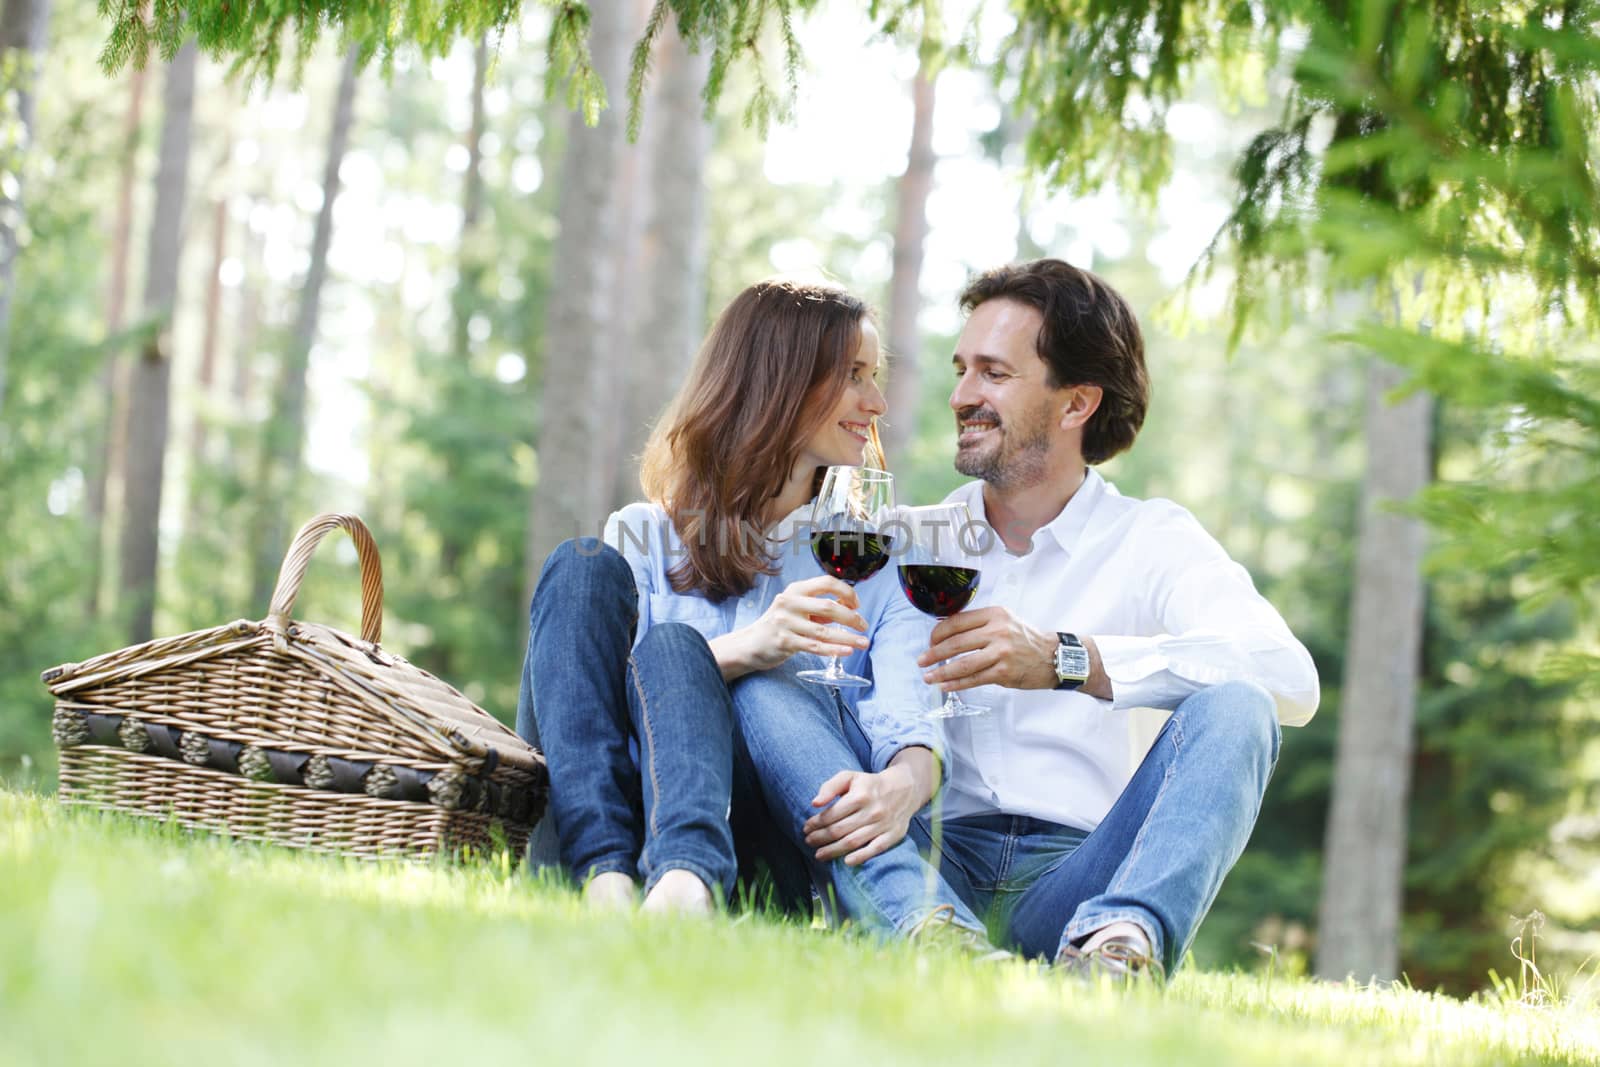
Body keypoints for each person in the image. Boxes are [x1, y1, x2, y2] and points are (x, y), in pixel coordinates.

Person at [861, 257, 1319, 980]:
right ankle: (922, 926)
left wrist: (1072, 661)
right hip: (927, 858)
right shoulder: (910, 540)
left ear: (1076, 404)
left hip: (1077, 876)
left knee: (1239, 707)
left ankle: (1118, 946)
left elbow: (1289, 676)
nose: (961, 395)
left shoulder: (1151, 538)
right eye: (960, 369)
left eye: (993, 373)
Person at [515, 279, 986, 941]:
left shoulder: (875, 551)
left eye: (872, 376)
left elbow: (910, 712)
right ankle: (606, 878)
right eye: (853, 376)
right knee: (580, 567)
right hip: (620, 823)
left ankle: (687, 882)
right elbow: (588, 709)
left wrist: (905, 782)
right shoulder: (646, 538)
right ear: (780, 382)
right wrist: (750, 644)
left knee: (759, 681)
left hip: (759, 850)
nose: (875, 402)